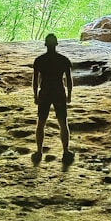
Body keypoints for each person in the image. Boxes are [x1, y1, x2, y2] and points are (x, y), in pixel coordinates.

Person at [32, 33, 73, 163]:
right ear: (56, 44)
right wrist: (69, 94)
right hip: (59, 93)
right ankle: (66, 151)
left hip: (45, 92)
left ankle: (39, 151)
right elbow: (69, 80)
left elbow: (35, 79)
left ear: (46, 45)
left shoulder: (39, 60)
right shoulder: (63, 60)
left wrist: (35, 94)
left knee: (41, 123)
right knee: (62, 122)